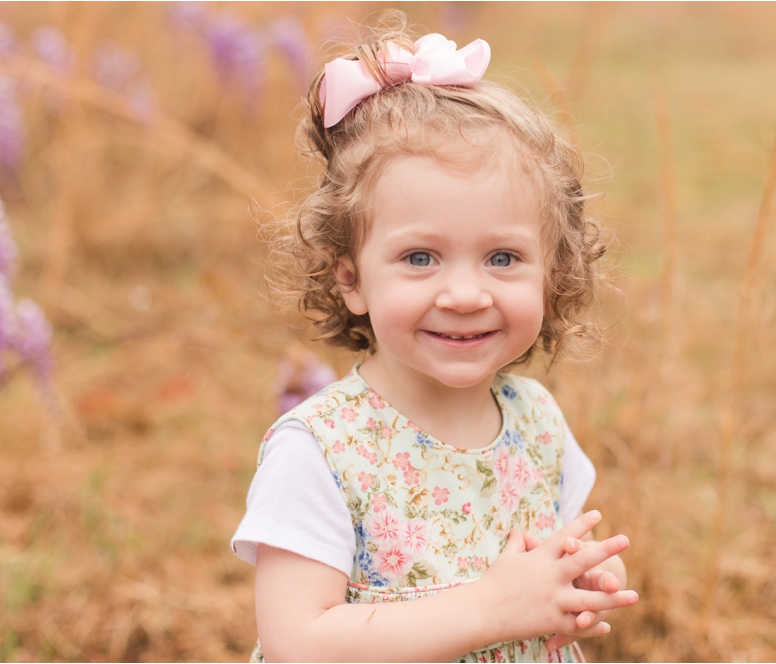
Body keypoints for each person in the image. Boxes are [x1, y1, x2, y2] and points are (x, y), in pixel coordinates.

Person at [231, 15, 638, 662]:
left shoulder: (535, 420)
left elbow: (532, 566)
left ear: (552, 270)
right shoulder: (322, 452)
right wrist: (488, 609)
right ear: (351, 279)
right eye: (420, 258)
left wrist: (572, 581)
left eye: (502, 258)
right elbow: (297, 643)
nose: (466, 293)